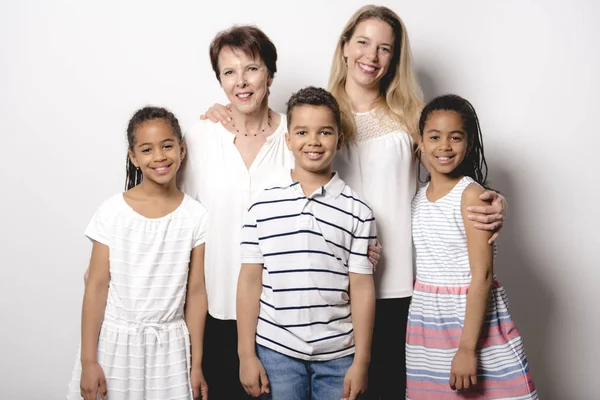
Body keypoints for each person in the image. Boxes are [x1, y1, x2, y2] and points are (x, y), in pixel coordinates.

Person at [201, 6, 507, 398]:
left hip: (398, 282)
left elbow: (445, 172)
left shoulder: (409, 114)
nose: (371, 56)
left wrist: (493, 200)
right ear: (344, 47)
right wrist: (223, 111)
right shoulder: (322, 114)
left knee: (388, 388)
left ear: (394, 57)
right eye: (363, 42)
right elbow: (266, 133)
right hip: (331, 291)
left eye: (384, 48)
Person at [236, 86, 376, 400]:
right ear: (288, 140)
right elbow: (249, 281)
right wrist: (246, 355)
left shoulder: (358, 211)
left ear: (339, 140)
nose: (313, 141)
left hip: (339, 353)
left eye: (324, 132)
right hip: (276, 351)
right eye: (302, 131)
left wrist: (362, 361)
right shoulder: (262, 206)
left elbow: (362, 287)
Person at [67, 106, 209, 400]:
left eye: (167, 146)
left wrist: (196, 366)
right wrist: (88, 362)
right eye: (147, 149)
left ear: (181, 149)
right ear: (133, 157)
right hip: (115, 347)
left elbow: (196, 293)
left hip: (170, 350)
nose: (159, 156)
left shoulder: (195, 216)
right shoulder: (112, 212)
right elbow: (95, 287)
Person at [180, 25, 291, 399]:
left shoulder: (297, 137)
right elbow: (175, 216)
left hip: (284, 317)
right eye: (229, 72)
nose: (241, 82)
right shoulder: (200, 137)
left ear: (270, 74)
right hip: (217, 310)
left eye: (252, 69)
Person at [406, 94, 537, 399]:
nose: (445, 146)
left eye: (455, 137)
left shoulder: (471, 196)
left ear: (468, 145)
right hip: (427, 319)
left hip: (469, 318)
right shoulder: (416, 197)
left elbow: (482, 276)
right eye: (435, 137)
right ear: (421, 142)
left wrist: (467, 348)